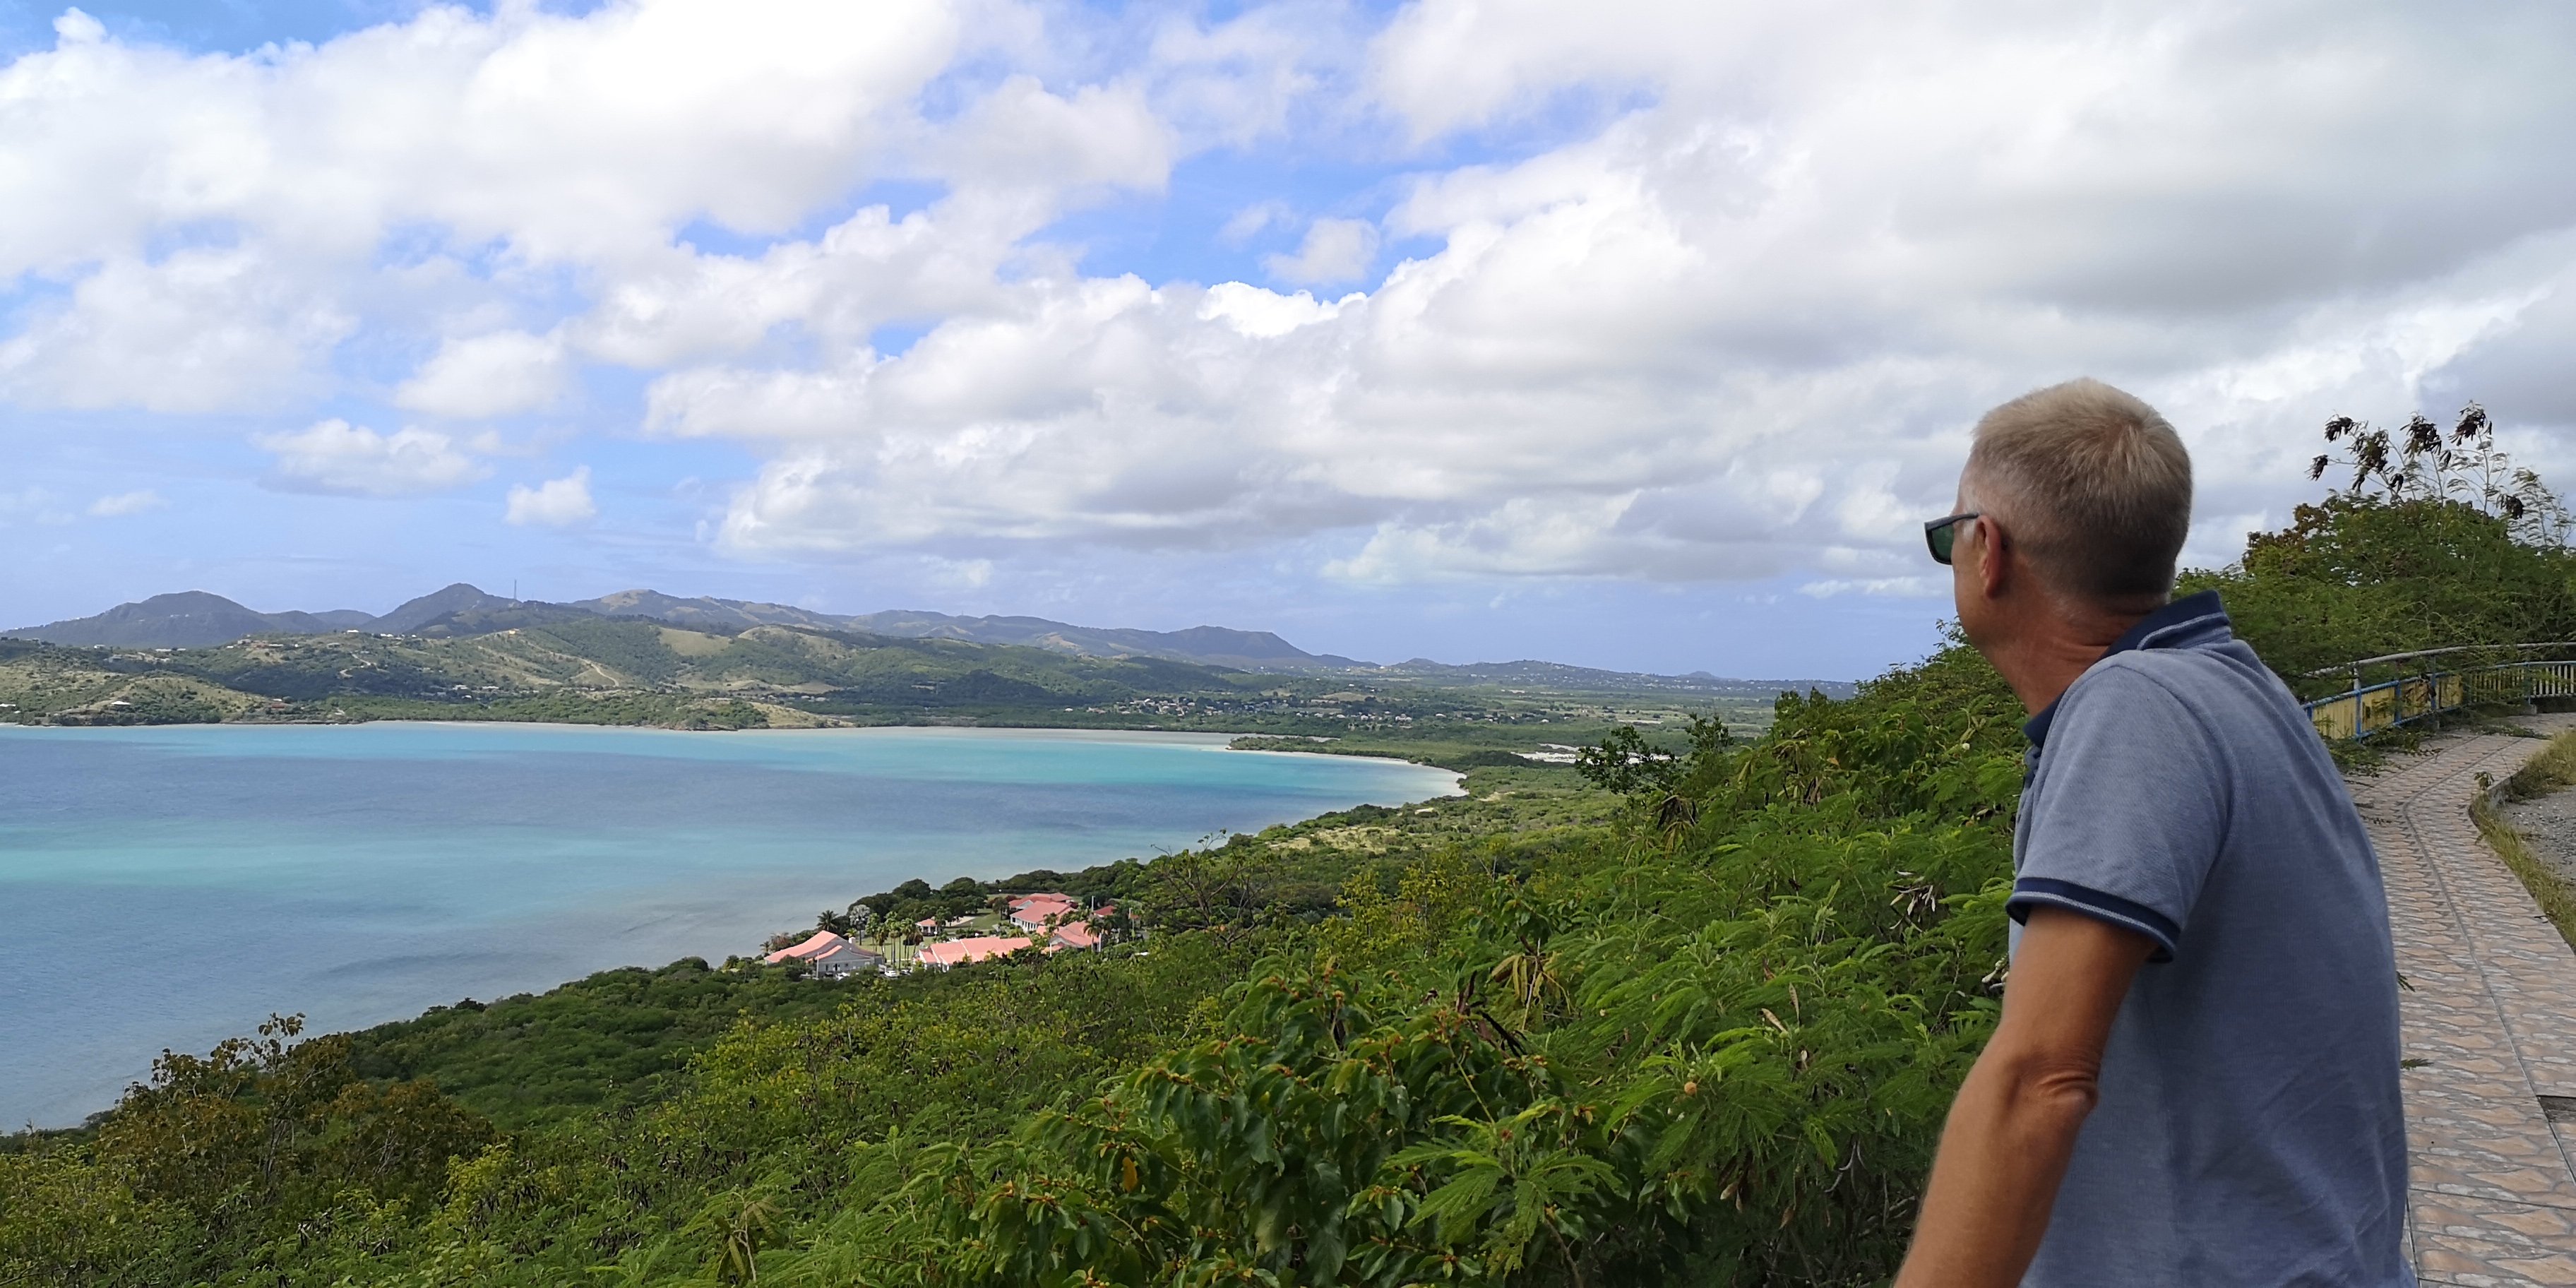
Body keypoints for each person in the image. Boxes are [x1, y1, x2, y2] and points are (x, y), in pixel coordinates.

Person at [1894, 379, 2410, 1287]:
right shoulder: (2239, 687)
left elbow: (2041, 1083)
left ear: (1989, 551)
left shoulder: (2134, 710)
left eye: (1949, 535)